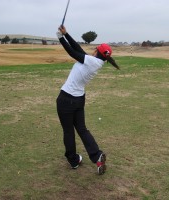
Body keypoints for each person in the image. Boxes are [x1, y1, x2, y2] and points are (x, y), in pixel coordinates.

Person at [56, 25, 119, 175]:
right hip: (78, 100)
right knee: (82, 129)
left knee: (68, 131)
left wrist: (60, 38)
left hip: (66, 99)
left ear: (97, 51)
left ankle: (73, 160)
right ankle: (96, 155)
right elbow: (78, 49)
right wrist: (66, 34)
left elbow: (72, 52)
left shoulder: (91, 61)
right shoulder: (95, 62)